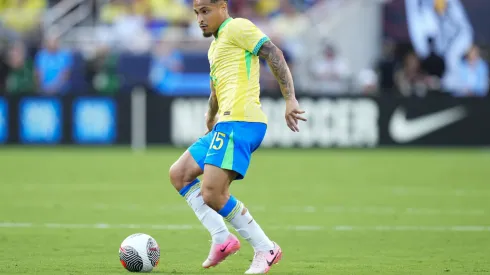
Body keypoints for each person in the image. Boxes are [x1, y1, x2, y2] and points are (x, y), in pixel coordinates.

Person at [168, 0, 306, 274]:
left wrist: (289, 98)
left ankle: (266, 248)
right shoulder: (215, 46)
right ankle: (221, 238)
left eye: (205, 11)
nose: (200, 19)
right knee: (180, 174)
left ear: (222, 7)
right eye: (196, 13)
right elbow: (216, 89)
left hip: (242, 121)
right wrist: (210, 115)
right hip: (225, 123)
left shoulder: (238, 27)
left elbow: (273, 53)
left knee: (212, 193)